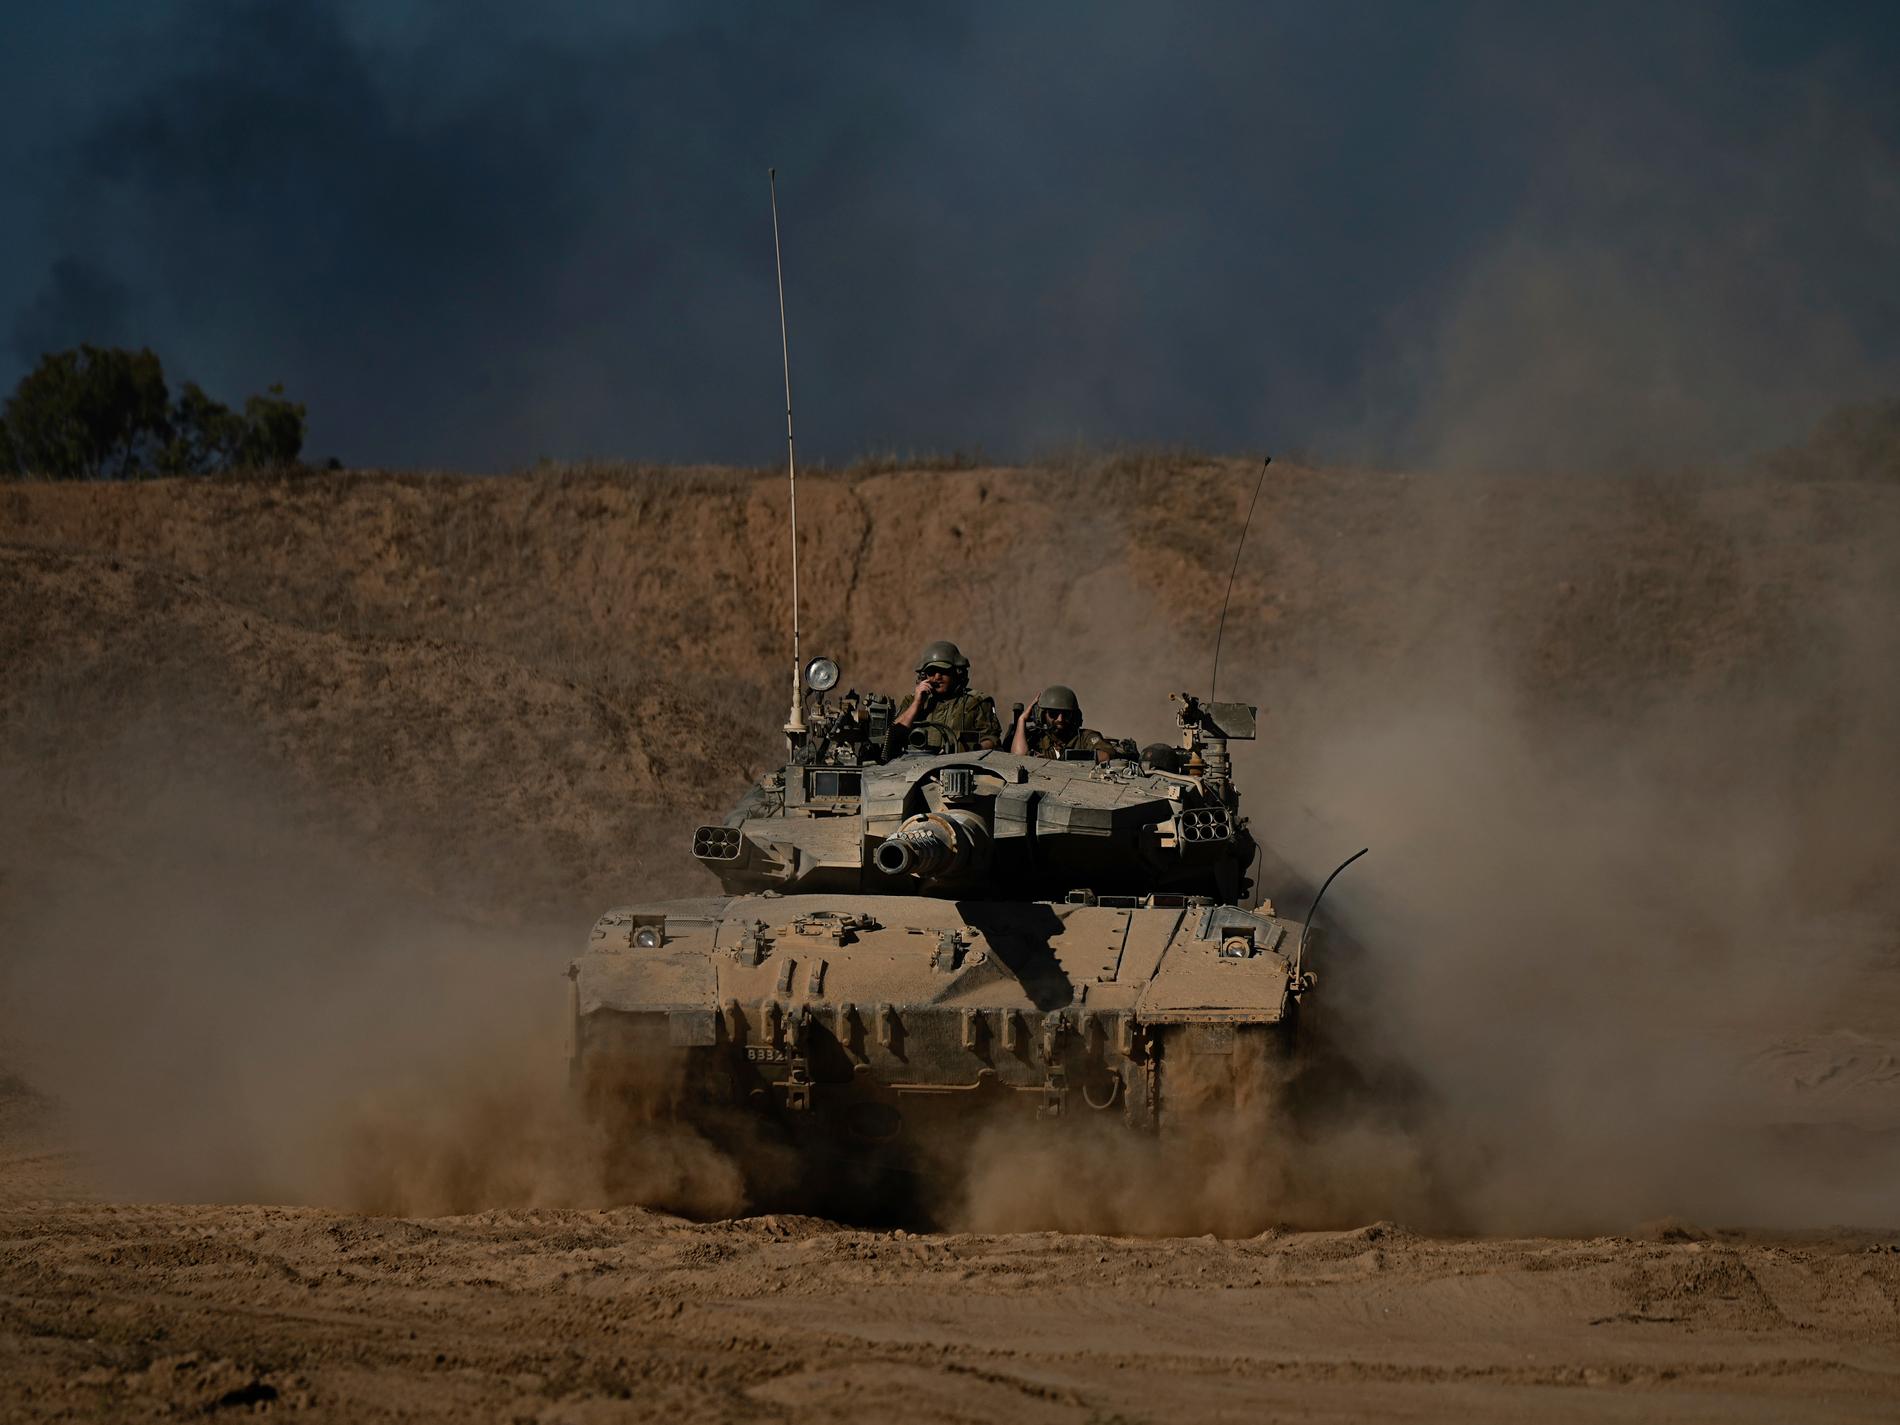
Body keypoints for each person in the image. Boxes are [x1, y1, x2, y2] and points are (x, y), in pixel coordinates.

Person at [891, 640, 1002, 752]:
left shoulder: (976, 703)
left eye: (944, 671)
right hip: (915, 761)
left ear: (957, 673)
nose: (937, 677)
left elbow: (992, 739)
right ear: (924, 676)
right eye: (932, 672)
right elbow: (891, 737)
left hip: (961, 761)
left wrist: (969, 749)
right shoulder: (912, 701)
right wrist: (917, 704)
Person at [1009, 684, 1118, 762]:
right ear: (1042, 715)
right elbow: (1018, 758)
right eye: (1053, 714)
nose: (1060, 719)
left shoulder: (1084, 737)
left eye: (1066, 714)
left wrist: (1066, 758)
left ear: (1074, 716)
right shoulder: (1036, 738)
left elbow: (1106, 755)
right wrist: (1022, 720)